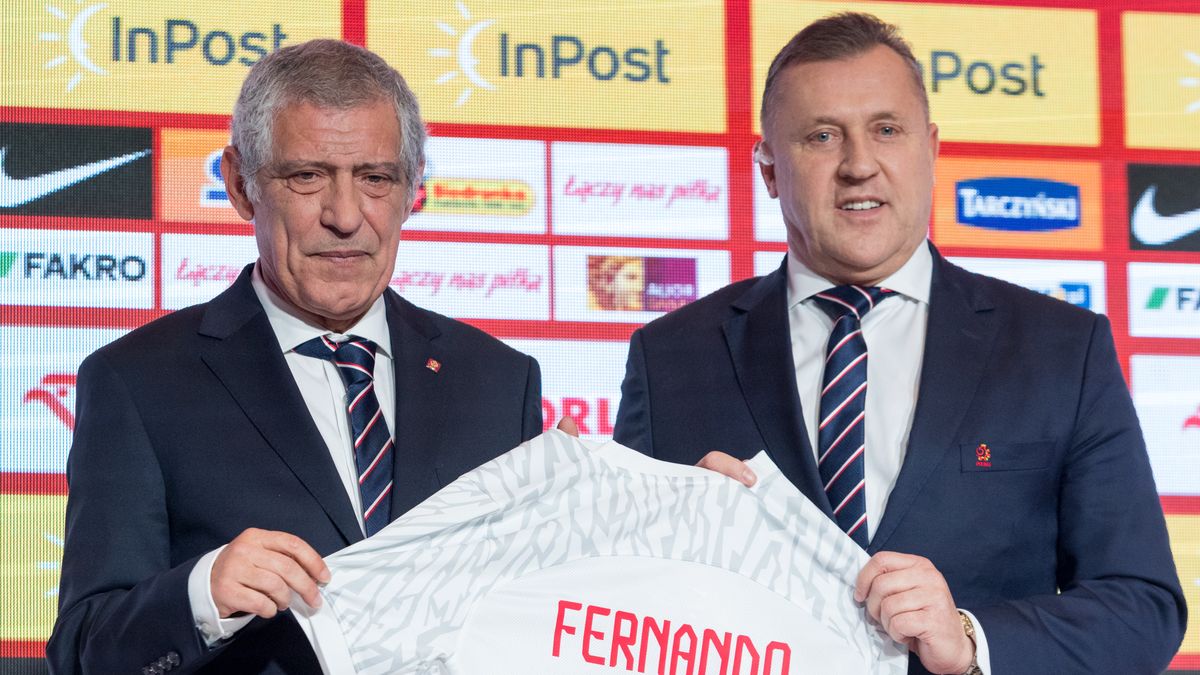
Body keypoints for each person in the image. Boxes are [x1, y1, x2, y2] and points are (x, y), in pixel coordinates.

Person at [613, 12, 1185, 675]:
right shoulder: (671, 356)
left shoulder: (1063, 348)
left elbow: (1143, 607)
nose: (860, 164)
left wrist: (971, 638)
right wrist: (653, 533)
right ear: (769, 168)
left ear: (932, 148)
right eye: (821, 137)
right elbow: (603, 600)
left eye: (887, 130)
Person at [48, 39, 542, 675]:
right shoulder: (137, 383)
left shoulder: (501, 380)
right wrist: (202, 596)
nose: (345, 217)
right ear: (241, 185)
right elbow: (82, 652)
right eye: (307, 177)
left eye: (375, 179)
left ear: (411, 190)